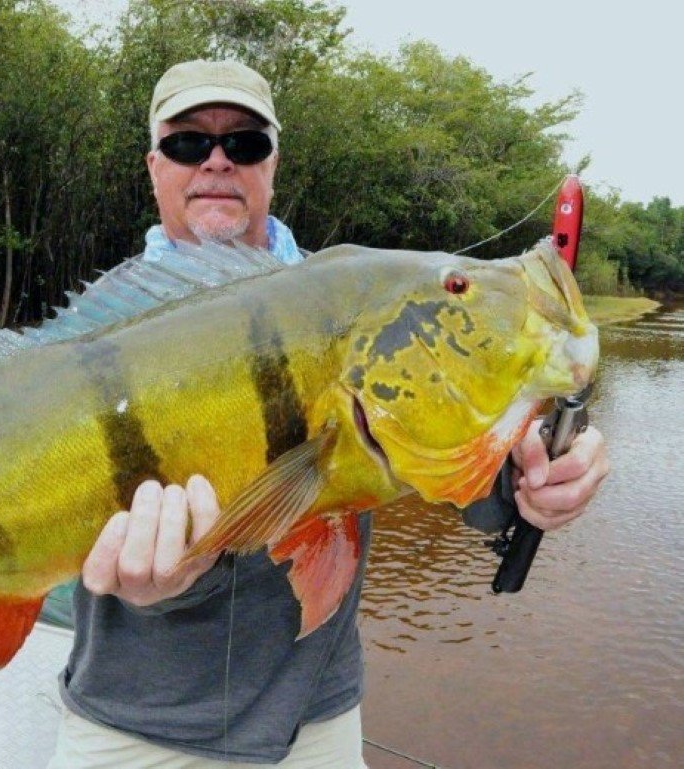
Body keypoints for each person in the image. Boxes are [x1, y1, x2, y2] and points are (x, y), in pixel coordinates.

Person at [46, 59, 610, 768]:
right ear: (154, 165)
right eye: (190, 143)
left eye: (244, 143)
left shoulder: (362, 299)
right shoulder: (95, 335)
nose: (217, 161)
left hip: (315, 726)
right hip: (126, 724)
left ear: (272, 164)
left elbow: (468, 482)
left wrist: (539, 482)